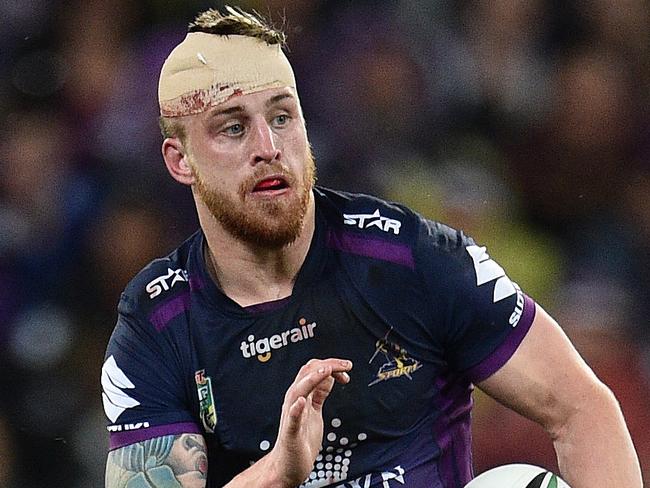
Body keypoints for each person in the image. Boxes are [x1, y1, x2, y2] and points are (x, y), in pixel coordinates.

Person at [101, 6, 642, 488]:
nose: (269, 148)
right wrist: (278, 473)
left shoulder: (411, 258)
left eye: (282, 117)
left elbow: (582, 410)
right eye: (232, 128)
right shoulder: (156, 325)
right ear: (179, 160)